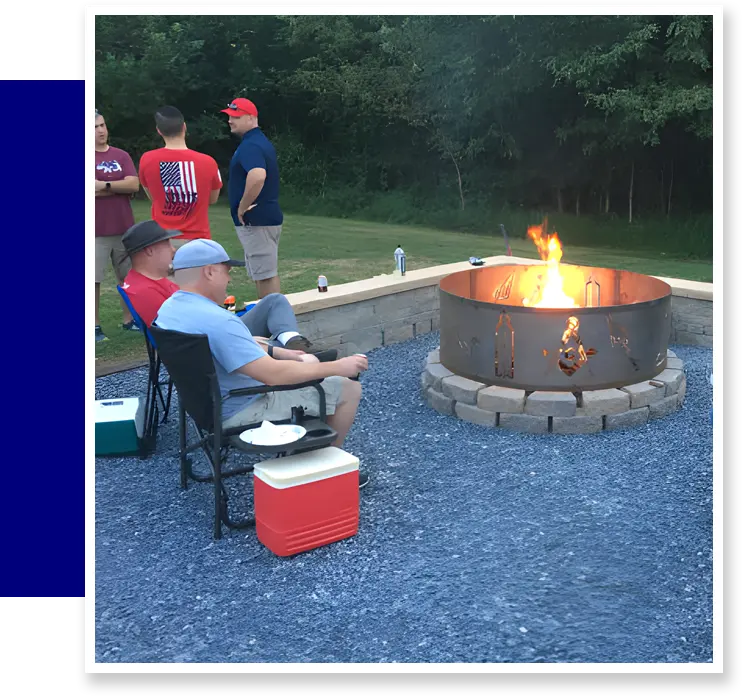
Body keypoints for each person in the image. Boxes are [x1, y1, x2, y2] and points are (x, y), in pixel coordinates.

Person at [153, 240, 368, 484]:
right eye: (226, 272)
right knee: (348, 388)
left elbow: (230, 343)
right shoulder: (219, 320)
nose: (229, 280)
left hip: (204, 407)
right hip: (239, 407)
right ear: (209, 271)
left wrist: (283, 353)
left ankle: (312, 459)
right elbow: (274, 376)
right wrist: (338, 367)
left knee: (302, 365)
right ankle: (323, 471)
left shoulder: (169, 310)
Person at [120, 221, 334, 357]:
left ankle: (292, 344)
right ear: (149, 251)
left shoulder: (146, 281)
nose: (173, 249)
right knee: (274, 308)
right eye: (166, 244)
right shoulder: (144, 291)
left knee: (274, 302)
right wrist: (247, 338)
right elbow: (183, 338)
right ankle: (296, 352)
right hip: (210, 340)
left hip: (212, 328)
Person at [222, 97, 283, 299]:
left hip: (256, 219)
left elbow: (257, 175)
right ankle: (270, 321)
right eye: (229, 116)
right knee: (262, 273)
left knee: (265, 275)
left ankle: (273, 325)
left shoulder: (252, 146)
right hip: (263, 218)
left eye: (236, 116)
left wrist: (242, 207)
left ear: (251, 118)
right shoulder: (255, 142)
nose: (230, 120)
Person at [138, 106, 223, 250]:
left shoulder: (147, 159)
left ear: (159, 130)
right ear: (184, 127)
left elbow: (153, 197)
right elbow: (212, 199)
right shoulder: (208, 162)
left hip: (163, 239)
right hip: (198, 239)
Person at [95, 109, 141, 342]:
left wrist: (103, 186)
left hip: (123, 227)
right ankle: (94, 327)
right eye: (95, 127)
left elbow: (133, 184)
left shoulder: (120, 155)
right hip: (95, 230)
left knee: (127, 277)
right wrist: (117, 185)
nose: (101, 131)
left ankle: (129, 320)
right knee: (92, 280)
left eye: (102, 125)